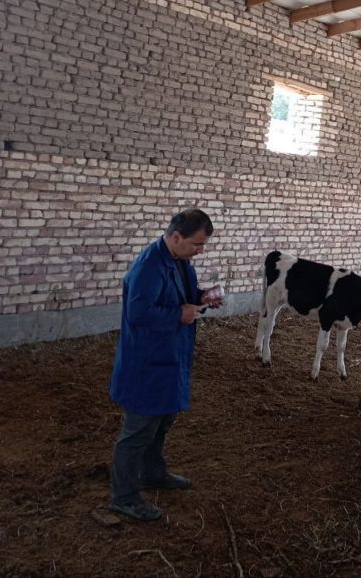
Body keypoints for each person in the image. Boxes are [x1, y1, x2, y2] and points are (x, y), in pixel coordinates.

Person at [108, 208, 223, 521]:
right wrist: (178, 315)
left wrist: (202, 297)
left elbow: (181, 296)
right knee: (137, 432)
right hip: (147, 363)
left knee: (160, 423)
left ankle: (153, 473)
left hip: (170, 357)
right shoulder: (149, 267)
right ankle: (124, 497)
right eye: (197, 244)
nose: (200, 251)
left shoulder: (179, 261)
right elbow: (137, 313)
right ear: (175, 236)